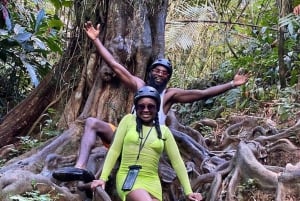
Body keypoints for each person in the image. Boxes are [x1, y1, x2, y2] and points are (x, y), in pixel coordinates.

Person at [52, 21, 249, 182]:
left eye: (164, 73)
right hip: (125, 136)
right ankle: (80, 168)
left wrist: (232, 83)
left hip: (147, 143)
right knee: (92, 122)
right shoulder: (139, 85)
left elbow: (203, 93)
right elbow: (114, 65)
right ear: (150, 73)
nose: (160, 75)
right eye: (157, 71)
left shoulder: (170, 95)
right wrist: (96, 40)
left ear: (168, 77)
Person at [91, 86, 203, 201]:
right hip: (128, 177)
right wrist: (103, 178)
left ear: (157, 108)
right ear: (136, 107)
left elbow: (177, 162)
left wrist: (189, 191)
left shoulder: (164, 131)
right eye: (141, 106)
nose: (146, 109)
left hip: (152, 181)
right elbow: (114, 150)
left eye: (150, 106)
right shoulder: (128, 120)